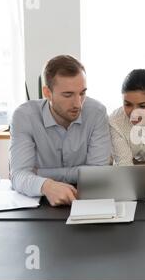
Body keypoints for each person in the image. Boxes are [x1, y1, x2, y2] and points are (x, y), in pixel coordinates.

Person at [10, 55, 112, 206]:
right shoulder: (24, 116)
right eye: (68, 94)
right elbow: (18, 175)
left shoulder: (97, 113)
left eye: (82, 93)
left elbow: (97, 174)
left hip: (85, 199)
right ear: (47, 92)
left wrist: (41, 174)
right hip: (40, 201)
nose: (78, 103)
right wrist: (46, 185)